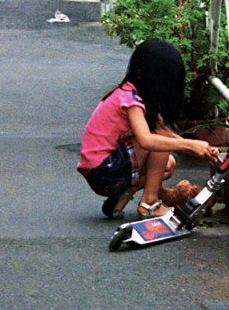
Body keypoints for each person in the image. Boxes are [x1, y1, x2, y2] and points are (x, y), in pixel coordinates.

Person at [77, 38, 219, 220]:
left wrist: (201, 148)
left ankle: (121, 198)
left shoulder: (134, 95)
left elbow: (167, 133)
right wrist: (190, 146)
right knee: (156, 140)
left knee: (168, 165)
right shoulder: (129, 100)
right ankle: (149, 203)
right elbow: (147, 139)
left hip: (105, 172)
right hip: (104, 171)